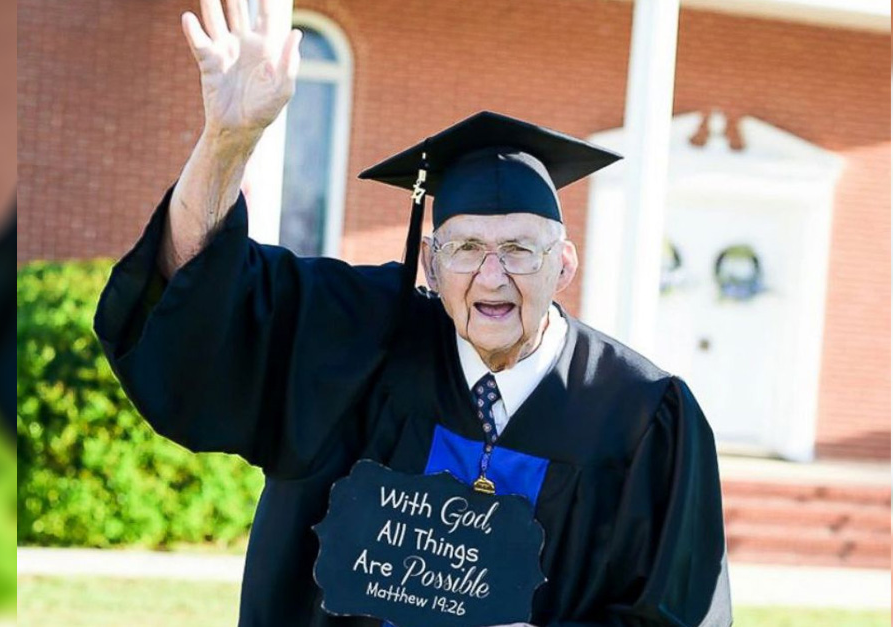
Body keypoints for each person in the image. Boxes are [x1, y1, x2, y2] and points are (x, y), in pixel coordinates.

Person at [93, 0, 732, 625]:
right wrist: (227, 144)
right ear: (429, 264)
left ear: (563, 264)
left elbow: (680, 613)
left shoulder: (643, 416)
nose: (492, 274)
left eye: (518, 249)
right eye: (466, 249)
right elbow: (205, 302)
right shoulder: (356, 339)